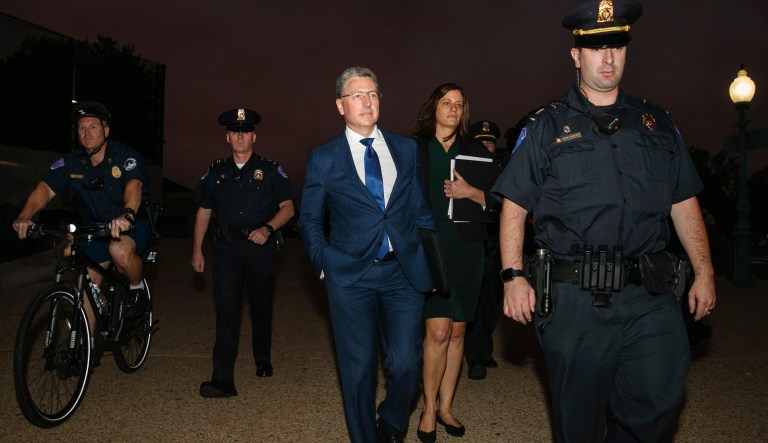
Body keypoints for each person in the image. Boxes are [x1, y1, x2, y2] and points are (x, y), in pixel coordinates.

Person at [491, 1, 717, 441]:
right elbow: (514, 207)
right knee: (579, 422)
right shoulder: (545, 127)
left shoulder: (657, 124)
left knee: (661, 400)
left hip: (650, 293)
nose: (608, 57)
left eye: (616, 45)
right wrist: (513, 276)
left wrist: (705, 271)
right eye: (596, 48)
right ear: (577, 55)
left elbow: (683, 201)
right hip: (576, 298)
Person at [298, 66, 435, 443]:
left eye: (373, 94)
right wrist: (323, 261)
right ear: (341, 105)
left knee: (408, 364)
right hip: (350, 276)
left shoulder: (405, 149)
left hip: (402, 273)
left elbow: (421, 211)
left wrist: (430, 258)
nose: (367, 102)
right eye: (357, 95)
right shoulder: (324, 158)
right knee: (357, 371)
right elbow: (308, 219)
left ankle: (392, 421)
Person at [12, 101, 151, 338]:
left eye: (93, 127)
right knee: (88, 288)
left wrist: (126, 214)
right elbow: (45, 189)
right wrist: (25, 215)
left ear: (106, 130)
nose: (87, 133)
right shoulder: (71, 162)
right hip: (96, 227)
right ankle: (85, 349)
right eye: (82, 128)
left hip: (130, 224)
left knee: (119, 251)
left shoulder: (124, 156)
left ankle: (137, 289)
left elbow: (134, 186)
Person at [413, 84, 500, 442]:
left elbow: (502, 201)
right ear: (434, 106)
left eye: (459, 105)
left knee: (459, 331)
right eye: (446, 103)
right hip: (429, 248)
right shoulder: (413, 148)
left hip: (467, 249)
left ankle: (447, 407)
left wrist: (472, 194)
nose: (452, 109)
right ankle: (428, 409)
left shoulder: (476, 150)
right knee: (437, 331)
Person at [192, 108, 295, 398]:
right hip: (225, 249)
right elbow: (203, 210)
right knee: (227, 312)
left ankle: (262, 358)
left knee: (261, 306)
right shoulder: (216, 171)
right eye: (234, 131)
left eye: (245, 131)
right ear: (227, 137)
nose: (239, 136)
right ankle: (222, 379)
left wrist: (268, 228)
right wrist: (197, 249)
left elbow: (288, 208)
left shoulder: (271, 170)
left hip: (260, 249)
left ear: (253, 136)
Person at [463, 120, 505, 381]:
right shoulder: (465, 169)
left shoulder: (503, 170)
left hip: (498, 244)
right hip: (473, 242)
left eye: (489, 142)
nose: (486, 146)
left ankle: (484, 351)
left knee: (492, 302)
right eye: (481, 143)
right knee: (476, 303)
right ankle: (475, 358)